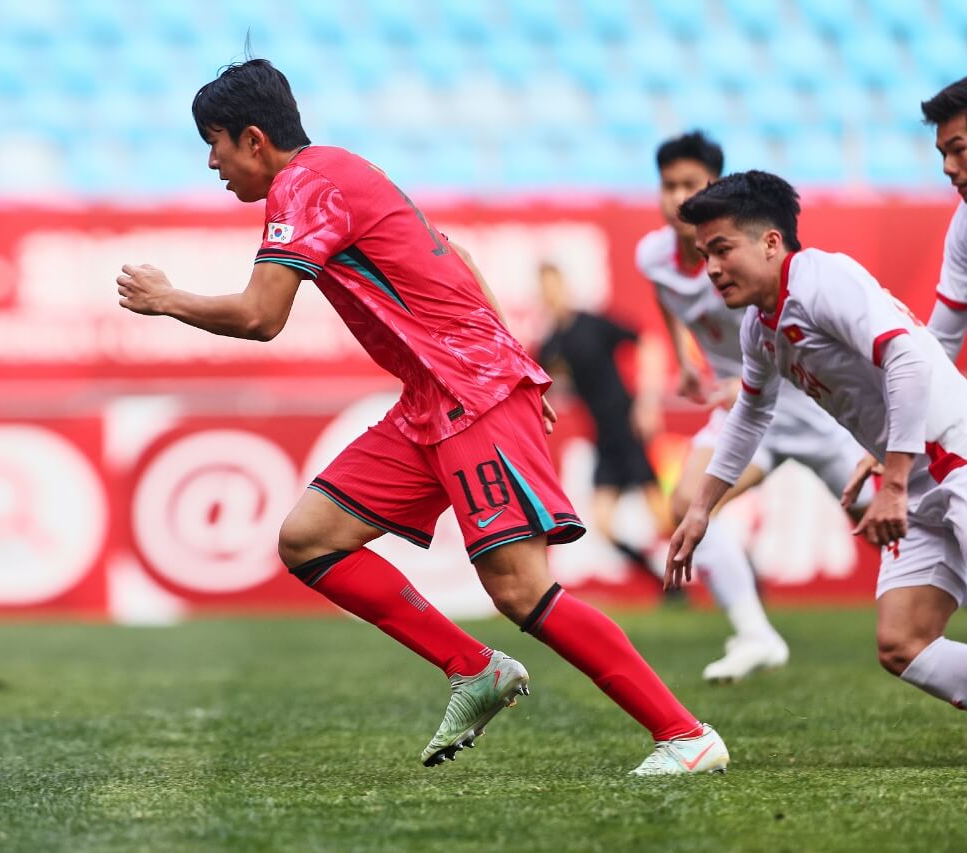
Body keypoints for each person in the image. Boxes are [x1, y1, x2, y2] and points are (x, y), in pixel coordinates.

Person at [117, 59, 728, 775]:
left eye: (214, 141)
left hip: (469, 395)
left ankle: (685, 734)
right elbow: (460, 256)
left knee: (520, 588)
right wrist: (515, 363)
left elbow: (260, 316)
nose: (211, 161)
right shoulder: (339, 170)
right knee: (310, 539)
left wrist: (167, 298)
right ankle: (475, 669)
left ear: (254, 139)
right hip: (435, 400)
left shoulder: (303, 185)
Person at [668, 170, 967, 714]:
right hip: (918, 483)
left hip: (955, 461)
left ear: (771, 242)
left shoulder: (822, 278)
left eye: (722, 249)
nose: (711, 268)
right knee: (902, 643)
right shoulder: (758, 328)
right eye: (703, 253)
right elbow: (749, 416)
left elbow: (906, 359)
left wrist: (892, 481)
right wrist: (701, 509)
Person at [639, 132, 872, 682]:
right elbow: (664, 293)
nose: (676, 196)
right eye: (668, 184)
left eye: (690, 184)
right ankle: (753, 632)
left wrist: (744, 376)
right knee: (687, 506)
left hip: (813, 405)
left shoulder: (750, 256)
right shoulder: (654, 256)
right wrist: (684, 356)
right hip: (749, 412)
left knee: (892, 516)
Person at [535, 262, 674, 585]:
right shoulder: (551, 344)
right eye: (544, 289)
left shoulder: (592, 324)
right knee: (602, 523)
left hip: (627, 428)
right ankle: (660, 578)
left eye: (554, 286)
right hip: (603, 438)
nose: (551, 294)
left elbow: (647, 342)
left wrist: (648, 401)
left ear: (564, 288)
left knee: (665, 517)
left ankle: (732, 559)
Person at [921, 77, 967, 362]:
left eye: (958, 150)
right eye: (943, 154)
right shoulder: (963, 228)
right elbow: (941, 345)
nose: (947, 168)